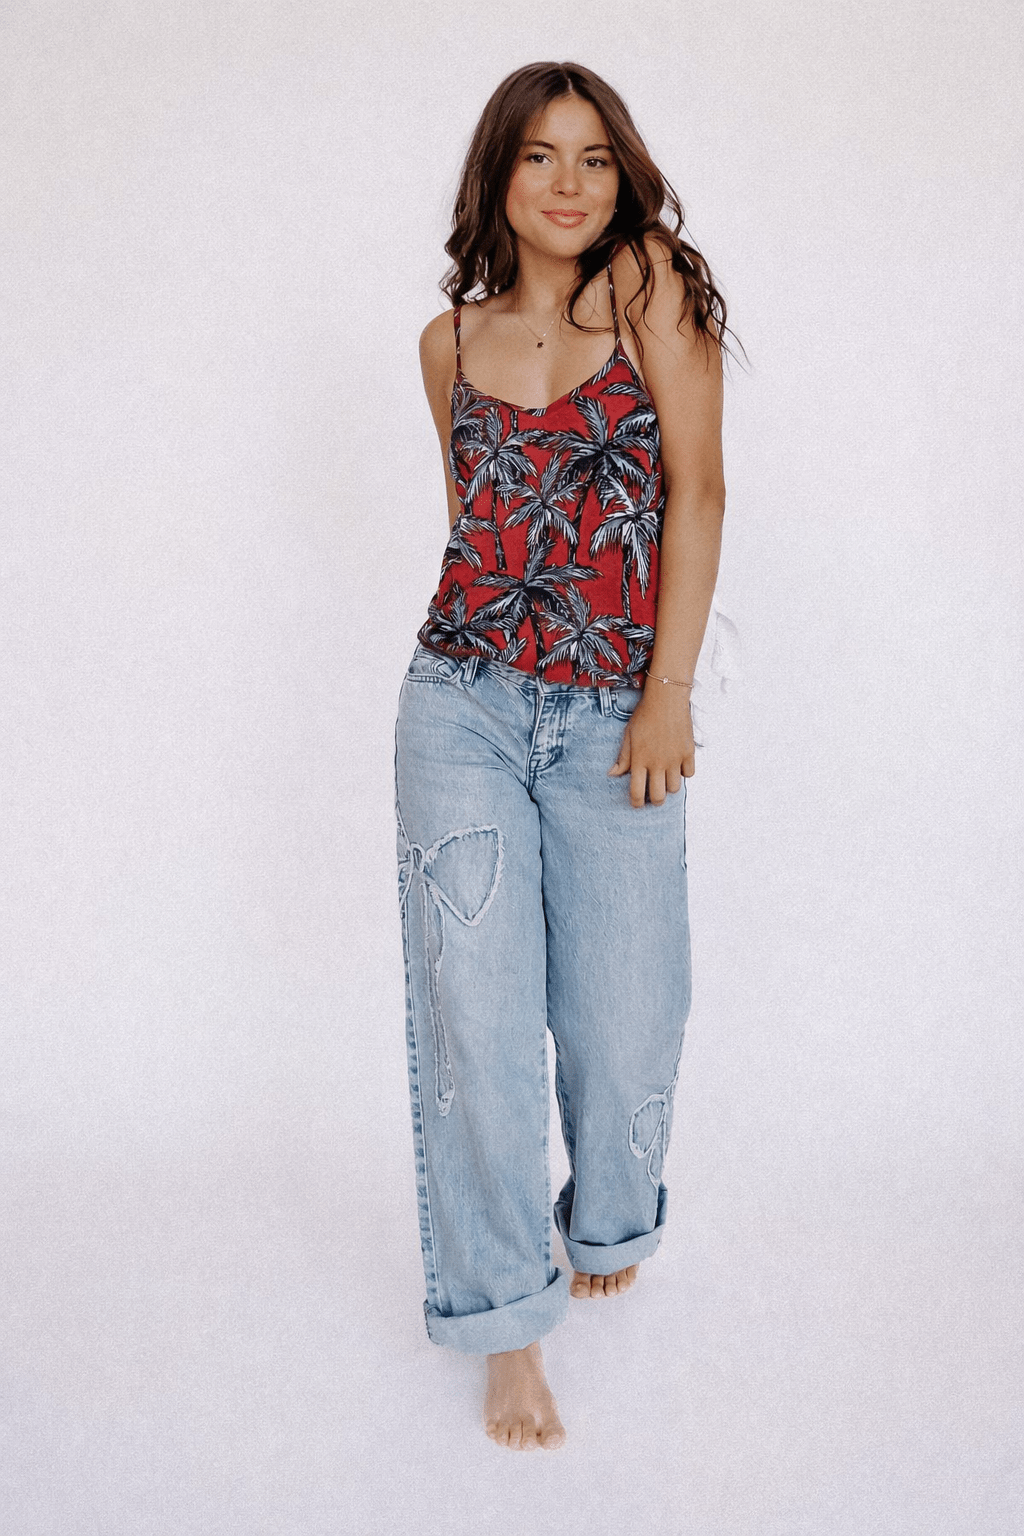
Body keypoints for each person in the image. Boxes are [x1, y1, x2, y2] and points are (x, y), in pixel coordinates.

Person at [394, 60, 731, 1450]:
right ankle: (504, 1326)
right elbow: (477, 527)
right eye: (540, 156)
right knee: (474, 1023)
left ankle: (608, 1216)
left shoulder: (650, 286)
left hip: (612, 711)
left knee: (627, 1010)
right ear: (499, 177)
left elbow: (699, 490)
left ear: (623, 175)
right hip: (461, 704)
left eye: (595, 157)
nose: (570, 182)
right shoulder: (446, 342)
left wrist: (668, 692)